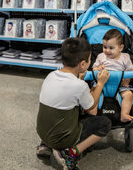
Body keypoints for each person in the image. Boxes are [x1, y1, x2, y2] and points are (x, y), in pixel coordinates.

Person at [36, 37, 111, 170]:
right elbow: (91, 106)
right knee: (104, 123)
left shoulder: (51, 75)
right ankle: (69, 153)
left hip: (42, 133)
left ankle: (46, 144)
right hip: (62, 138)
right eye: (89, 60)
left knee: (62, 111)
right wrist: (100, 83)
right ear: (83, 64)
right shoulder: (80, 86)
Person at [90, 29, 133, 121]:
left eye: (111, 48)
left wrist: (126, 80)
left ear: (121, 48)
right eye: (105, 47)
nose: (107, 50)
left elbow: (130, 70)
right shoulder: (101, 56)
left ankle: (124, 114)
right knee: (91, 92)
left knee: (128, 94)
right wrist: (98, 69)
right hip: (101, 84)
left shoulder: (125, 58)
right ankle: (92, 111)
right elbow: (94, 68)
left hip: (119, 85)